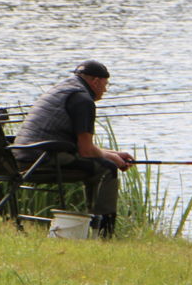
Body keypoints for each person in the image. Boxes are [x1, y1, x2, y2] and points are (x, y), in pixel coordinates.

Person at [12, 59, 134, 236]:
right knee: (107, 168)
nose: (105, 90)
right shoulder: (83, 100)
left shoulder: (62, 89)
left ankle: (92, 226)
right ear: (96, 81)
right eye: (105, 84)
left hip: (21, 155)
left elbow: (82, 147)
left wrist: (112, 153)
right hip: (41, 160)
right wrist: (113, 159)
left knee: (102, 161)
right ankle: (104, 231)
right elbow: (86, 151)